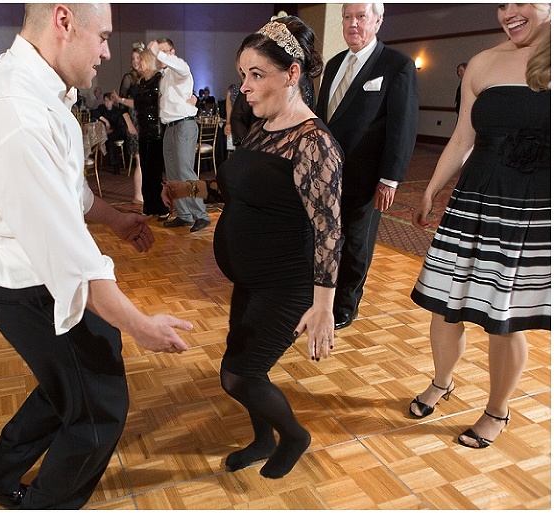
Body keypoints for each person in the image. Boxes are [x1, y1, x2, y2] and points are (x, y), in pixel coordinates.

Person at [0, 4, 190, 509]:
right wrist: (141, 326)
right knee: (101, 408)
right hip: (35, 291)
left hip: (37, 284)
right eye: (102, 36)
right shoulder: (12, 111)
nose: (107, 50)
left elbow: (68, 192)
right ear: (64, 21)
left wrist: (116, 220)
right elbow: (70, 260)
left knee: (67, 389)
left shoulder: (40, 91)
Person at [163, 16, 343, 479]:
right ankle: (263, 438)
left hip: (287, 285)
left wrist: (324, 305)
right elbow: (240, 188)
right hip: (251, 280)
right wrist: (189, 190)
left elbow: (329, 228)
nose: (244, 86)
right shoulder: (263, 129)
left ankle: (294, 436)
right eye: (243, 74)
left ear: (292, 75)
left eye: (256, 74)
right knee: (240, 362)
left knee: (239, 374)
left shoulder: (313, 142)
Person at [409, 3, 550, 450]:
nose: (507, 12)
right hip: (474, 200)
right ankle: (442, 381)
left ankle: (497, 410)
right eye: (501, 4)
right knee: (445, 307)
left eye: (518, 1)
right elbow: (462, 137)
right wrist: (432, 187)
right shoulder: (484, 62)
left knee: (504, 320)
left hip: (532, 209)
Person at [315, 3, 418, 330]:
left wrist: (390, 179)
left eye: (360, 17)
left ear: (377, 20)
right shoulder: (333, 65)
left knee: (357, 241)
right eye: (348, 17)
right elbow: (321, 117)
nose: (353, 24)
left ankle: (346, 303)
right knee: (326, 237)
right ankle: (321, 295)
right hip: (327, 174)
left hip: (367, 176)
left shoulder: (397, 65)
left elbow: (403, 127)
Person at [149, 38, 211, 233]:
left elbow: (181, 68)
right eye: (159, 52)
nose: (161, 56)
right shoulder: (164, 75)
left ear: (172, 52)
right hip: (170, 126)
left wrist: (158, 53)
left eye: (165, 51)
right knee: (173, 175)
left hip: (184, 124)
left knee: (185, 172)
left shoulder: (180, 68)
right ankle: (184, 215)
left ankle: (201, 215)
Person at [118, 48, 170, 219]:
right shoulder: (142, 82)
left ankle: (162, 208)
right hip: (144, 130)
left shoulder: (160, 79)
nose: (137, 63)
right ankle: (149, 208)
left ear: (148, 61)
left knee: (154, 172)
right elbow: (139, 105)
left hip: (157, 131)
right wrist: (121, 100)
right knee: (146, 171)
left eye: (140, 60)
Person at [117, 43, 144, 207]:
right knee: (140, 161)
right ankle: (138, 196)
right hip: (134, 122)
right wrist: (129, 124)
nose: (135, 61)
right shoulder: (128, 77)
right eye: (132, 58)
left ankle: (149, 194)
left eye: (138, 57)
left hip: (149, 122)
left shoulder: (151, 76)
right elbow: (121, 105)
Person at [91, 91, 126, 171]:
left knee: (109, 140)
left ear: (113, 101)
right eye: (106, 101)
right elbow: (94, 112)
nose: (107, 103)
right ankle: (110, 163)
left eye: (109, 101)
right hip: (105, 132)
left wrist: (110, 130)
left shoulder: (117, 111)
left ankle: (114, 164)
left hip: (117, 131)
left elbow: (120, 125)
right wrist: (106, 121)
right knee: (104, 139)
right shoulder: (102, 108)